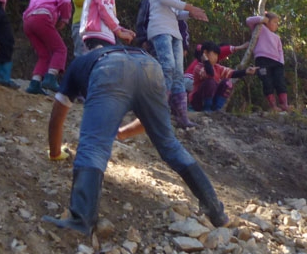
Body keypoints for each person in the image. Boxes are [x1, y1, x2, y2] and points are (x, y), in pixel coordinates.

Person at [42, 44, 228, 236]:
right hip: (150, 66)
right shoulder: (117, 55)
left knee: (93, 146)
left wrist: (55, 153)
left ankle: (81, 221)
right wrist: (123, 133)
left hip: (110, 69)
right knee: (170, 144)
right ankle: (216, 212)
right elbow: (151, 119)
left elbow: (57, 115)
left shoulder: (79, 63)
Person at [146, 0, 208, 129]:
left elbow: (176, 12)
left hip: (174, 30)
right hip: (160, 27)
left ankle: (182, 117)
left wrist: (191, 13)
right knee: (167, 67)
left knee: (178, 74)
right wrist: (189, 6)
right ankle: (159, 112)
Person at [23, 0, 73, 95]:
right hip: (42, 18)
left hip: (28, 22)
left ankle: (35, 83)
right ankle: (51, 78)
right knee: (60, 49)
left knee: (44, 54)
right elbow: (65, 1)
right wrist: (65, 19)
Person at [187, 42, 255, 112]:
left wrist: (246, 71)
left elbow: (232, 73)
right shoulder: (199, 67)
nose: (216, 58)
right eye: (214, 54)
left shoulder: (217, 67)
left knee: (227, 83)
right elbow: (210, 74)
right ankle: (207, 108)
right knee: (211, 82)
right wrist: (206, 60)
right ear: (205, 53)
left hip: (211, 98)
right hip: (197, 101)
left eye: (217, 55)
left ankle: (217, 108)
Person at [246, 11, 289, 112]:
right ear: (267, 22)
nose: (277, 25)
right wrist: (262, 19)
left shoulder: (277, 37)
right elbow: (248, 21)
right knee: (267, 82)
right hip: (262, 61)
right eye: (274, 22)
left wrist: (281, 62)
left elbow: (280, 51)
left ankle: (284, 104)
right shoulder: (260, 28)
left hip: (276, 63)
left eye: (277, 23)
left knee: (280, 82)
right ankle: (273, 106)